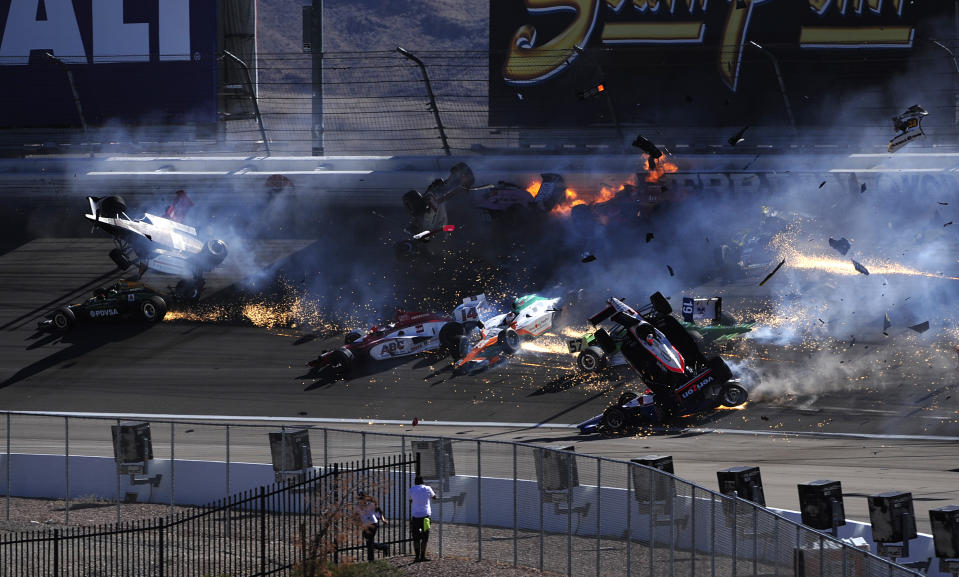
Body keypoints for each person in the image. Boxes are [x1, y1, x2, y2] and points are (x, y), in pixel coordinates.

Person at [407, 476, 437, 562]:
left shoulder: (411, 489)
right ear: (422, 482)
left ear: (415, 482)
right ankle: (422, 556)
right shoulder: (428, 488)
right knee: (425, 537)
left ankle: (416, 557)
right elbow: (434, 497)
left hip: (416, 516)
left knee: (416, 537)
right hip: (425, 516)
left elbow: (410, 501)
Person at [356, 491, 389, 562]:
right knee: (369, 543)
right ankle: (384, 547)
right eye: (359, 499)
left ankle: (371, 560)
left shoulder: (371, 504)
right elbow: (356, 516)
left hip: (373, 524)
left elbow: (379, 512)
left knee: (369, 542)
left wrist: (383, 520)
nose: (361, 500)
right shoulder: (357, 507)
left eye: (362, 498)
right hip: (365, 526)